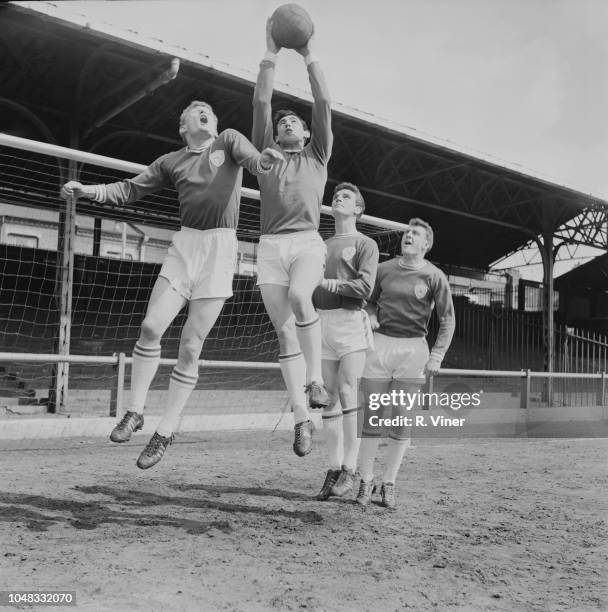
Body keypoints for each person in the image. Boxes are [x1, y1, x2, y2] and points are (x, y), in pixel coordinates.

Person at [61, 101, 282, 469]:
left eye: (209, 111)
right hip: (185, 246)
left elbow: (254, 161)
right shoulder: (172, 161)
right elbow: (130, 190)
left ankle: (165, 431)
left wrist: (265, 163)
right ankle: (135, 412)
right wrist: (88, 190)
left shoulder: (226, 140)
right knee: (150, 327)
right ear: (183, 127)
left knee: (191, 347)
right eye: (196, 111)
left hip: (220, 248)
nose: (205, 113)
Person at [252, 20, 333, 457]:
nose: (286, 122)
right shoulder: (266, 155)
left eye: (293, 121)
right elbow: (262, 100)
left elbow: (322, 101)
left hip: (305, 243)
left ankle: (315, 380)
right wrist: (269, 50)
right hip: (269, 248)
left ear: (305, 133)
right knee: (284, 337)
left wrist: (308, 54)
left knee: (303, 299)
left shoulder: (318, 155)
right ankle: (302, 420)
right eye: (282, 120)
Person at [356, 219, 455, 508]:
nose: (408, 236)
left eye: (415, 234)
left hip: (413, 350)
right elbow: (370, 301)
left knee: (400, 417)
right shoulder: (384, 269)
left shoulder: (435, 276)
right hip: (381, 345)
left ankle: (389, 483)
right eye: (407, 233)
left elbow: (447, 319)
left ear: (426, 244)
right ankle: (365, 481)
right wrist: (372, 316)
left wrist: (437, 355)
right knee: (373, 416)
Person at [311, 182, 379, 500]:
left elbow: (364, 287)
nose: (339, 197)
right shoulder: (320, 244)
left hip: (350, 322)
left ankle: (351, 468)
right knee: (329, 397)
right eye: (337, 195)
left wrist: (328, 283)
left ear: (358, 209)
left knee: (349, 389)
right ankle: (333, 467)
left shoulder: (366, 243)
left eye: (348, 196)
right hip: (321, 323)